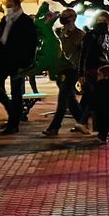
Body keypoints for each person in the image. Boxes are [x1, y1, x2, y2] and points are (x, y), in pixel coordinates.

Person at [0, 0, 38, 134]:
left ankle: (13, 124)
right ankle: (12, 111)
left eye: (9, 6)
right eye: (6, 6)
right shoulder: (5, 20)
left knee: (16, 92)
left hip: (17, 62)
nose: (7, 8)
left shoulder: (26, 21)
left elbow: (31, 44)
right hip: (2, 60)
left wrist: (26, 63)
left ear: (17, 6)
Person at [42, 8, 85, 136]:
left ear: (74, 18)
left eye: (67, 16)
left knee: (63, 99)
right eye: (63, 15)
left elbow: (81, 55)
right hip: (60, 69)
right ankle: (83, 122)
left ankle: (54, 127)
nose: (64, 18)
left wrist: (81, 72)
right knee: (70, 100)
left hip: (71, 70)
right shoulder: (58, 32)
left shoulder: (80, 34)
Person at [76, 12, 109, 133]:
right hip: (97, 70)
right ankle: (84, 122)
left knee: (90, 97)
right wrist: (81, 73)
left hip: (94, 69)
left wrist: (81, 73)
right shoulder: (99, 35)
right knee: (95, 98)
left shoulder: (94, 35)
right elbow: (85, 55)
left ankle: (88, 124)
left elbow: (84, 55)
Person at [88, 64, 109, 145]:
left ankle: (101, 136)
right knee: (107, 122)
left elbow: (94, 95)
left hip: (99, 107)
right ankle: (103, 137)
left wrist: (92, 106)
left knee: (100, 122)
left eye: (99, 75)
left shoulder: (98, 84)